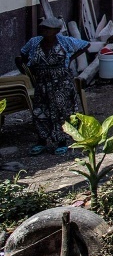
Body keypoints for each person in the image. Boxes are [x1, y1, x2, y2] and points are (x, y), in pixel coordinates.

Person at [18, 18, 89, 155]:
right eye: (43, 28)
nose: (44, 31)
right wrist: (29, 68)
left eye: (48, 29)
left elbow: (85, 45)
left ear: (56, 31)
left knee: (61, 110)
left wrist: (71, 58)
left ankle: (61, 141)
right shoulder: (35, 42)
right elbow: (23, 53)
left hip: (61, 81)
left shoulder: (64, 41)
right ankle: (42, 141)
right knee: (40, 110)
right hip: (42, 81)